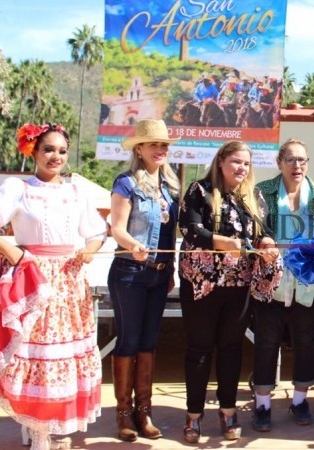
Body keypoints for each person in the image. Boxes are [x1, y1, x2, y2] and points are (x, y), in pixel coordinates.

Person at [0, 123, 107, 450]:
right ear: (34, 152)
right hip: (32, 282)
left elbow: (96, 231)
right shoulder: (18, 189)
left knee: (61, 355)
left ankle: (47, 426)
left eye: (62, 151)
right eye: (49, 149)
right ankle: (37, 430)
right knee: (32, 353)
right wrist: (10, 250)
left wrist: (88, 252)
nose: (56, 156)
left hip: (68, 283)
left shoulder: (76, 191)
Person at [178, 140, 281, 444]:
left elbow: (264, 233)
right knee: (199, 348)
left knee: (231, 348)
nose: (241, 168)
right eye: (236, 161)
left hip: (239, 284)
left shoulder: (254, 197)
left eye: (247, 163)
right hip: (201, 284)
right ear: (221, 161)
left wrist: (267, 245)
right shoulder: (199, 191)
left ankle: (228, 411)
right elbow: (190, 229)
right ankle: (194, 415)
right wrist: (222, 242)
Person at [107, 119, 180, 441]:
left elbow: (170, 233)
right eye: (154, 144)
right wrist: (132, 245)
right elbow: (117, 228)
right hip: (130, 272)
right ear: (139, 149)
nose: (161, 149)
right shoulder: (126, 183)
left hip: (159, 273)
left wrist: (172, 268)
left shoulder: (171, 187)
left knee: (149, 343)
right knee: (129, 342)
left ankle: (143, 411)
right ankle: (124, 413)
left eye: (164, 144)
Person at [251, 138, 314, 431]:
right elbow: (254, 230)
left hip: (307, 281)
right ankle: (262, 406)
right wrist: (264, 240)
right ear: (279, 163)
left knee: (305, 341)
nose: (297, 166)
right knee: (266, 342)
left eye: (302, 160)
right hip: (270, 281)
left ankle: (300, 401)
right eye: (291, 160)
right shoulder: (263, 191)